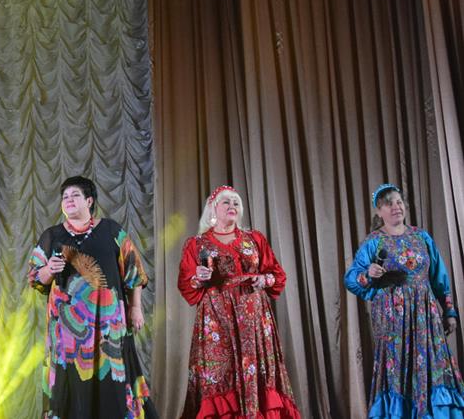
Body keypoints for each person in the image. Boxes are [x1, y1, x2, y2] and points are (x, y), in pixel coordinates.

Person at [28, 175, 156, 419]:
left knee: (112, 382)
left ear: (89, 201)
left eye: (75, 195)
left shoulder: (111, 230)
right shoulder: (51, 235)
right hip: (68, 333)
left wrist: (136, 308)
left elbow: (134, 272)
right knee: (69, 385)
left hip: (108, 326)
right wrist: (49, 270)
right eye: (65, 197)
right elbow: (35, 278)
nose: (68, 200)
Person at [177, 185, 300, 418]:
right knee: (221, 373)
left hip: (253, 317)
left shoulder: (254, 239)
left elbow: (277, 274)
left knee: (257, 370)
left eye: (236, 202)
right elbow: (186, 284)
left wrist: (263, 279)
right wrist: (198, 278)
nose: (232, 206)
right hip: (216, 317)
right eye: (226, 202)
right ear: (213, 208)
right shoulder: (197, 243)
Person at [344, 183, 464, 417]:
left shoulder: (421, 236)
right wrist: (368, 273)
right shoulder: (374, 241)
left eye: (399, 202)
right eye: (389, 204)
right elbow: (351, 279)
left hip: (425, 316)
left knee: (431, 363)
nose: (396, 207)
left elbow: (439, 276)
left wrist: (449, 311)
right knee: (398, 366)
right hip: (392, 318)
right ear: (379, 211)